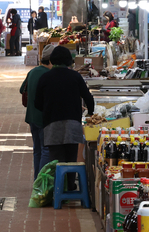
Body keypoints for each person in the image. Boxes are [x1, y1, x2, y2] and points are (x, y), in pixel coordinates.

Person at [35, 46, 94, 190]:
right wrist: (90, 114)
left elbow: (37, 103)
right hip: (73, 124)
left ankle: (59, 190)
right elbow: (88, 98)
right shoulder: (75, 76)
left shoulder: (45, 77)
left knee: (56, 160)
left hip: (52, 125)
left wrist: (49, 110)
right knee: (71, 159)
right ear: (69, 61)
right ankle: (70, 186)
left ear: (52, 60)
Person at [20, 44, 54, 180]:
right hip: (43, 118)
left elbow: (22, 89)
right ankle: (41, 182)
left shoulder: (33, 72)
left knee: (37, 150)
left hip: (31, 116)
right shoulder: (49, 75)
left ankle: (36, 180)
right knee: (46, 149)